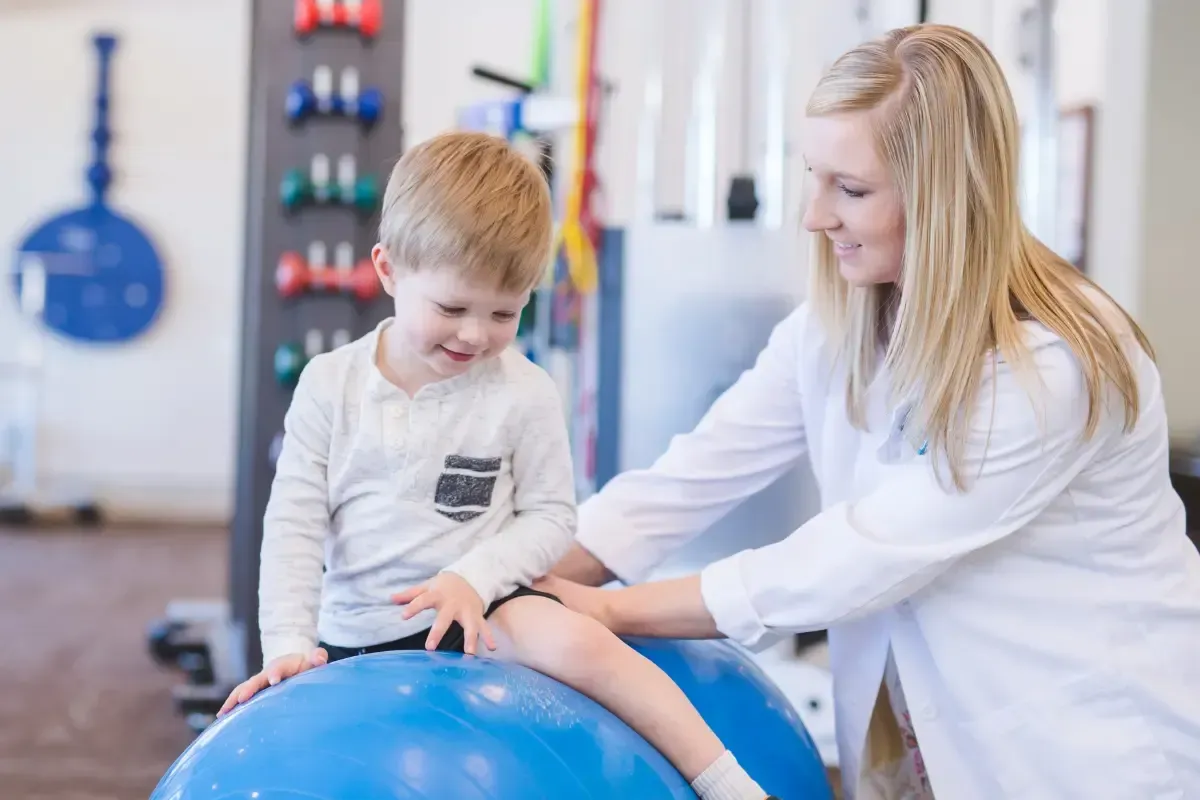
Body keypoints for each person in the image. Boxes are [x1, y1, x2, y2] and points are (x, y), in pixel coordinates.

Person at [538, 23, 1200, 800]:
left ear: (944, 194)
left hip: (1083, 753)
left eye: (849, 190)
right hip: (918, 745)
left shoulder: (1057, 361)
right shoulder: (838, 326)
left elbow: (858, 556)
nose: (815, 217)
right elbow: (688, 477)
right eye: (814, 177)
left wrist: (605, 613)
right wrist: (522, 577)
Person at [217, 132, 777, 800]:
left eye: (505, 312)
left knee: (581, 644)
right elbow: (294, 528)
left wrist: (472, 578)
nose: (475, 335)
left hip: (483, 615)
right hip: (354, 634)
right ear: (389, 270)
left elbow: (549, 518)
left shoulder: (526, 392)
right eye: (452, 308)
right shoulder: (328, 386)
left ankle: (727, 782)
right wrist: (286, 643)